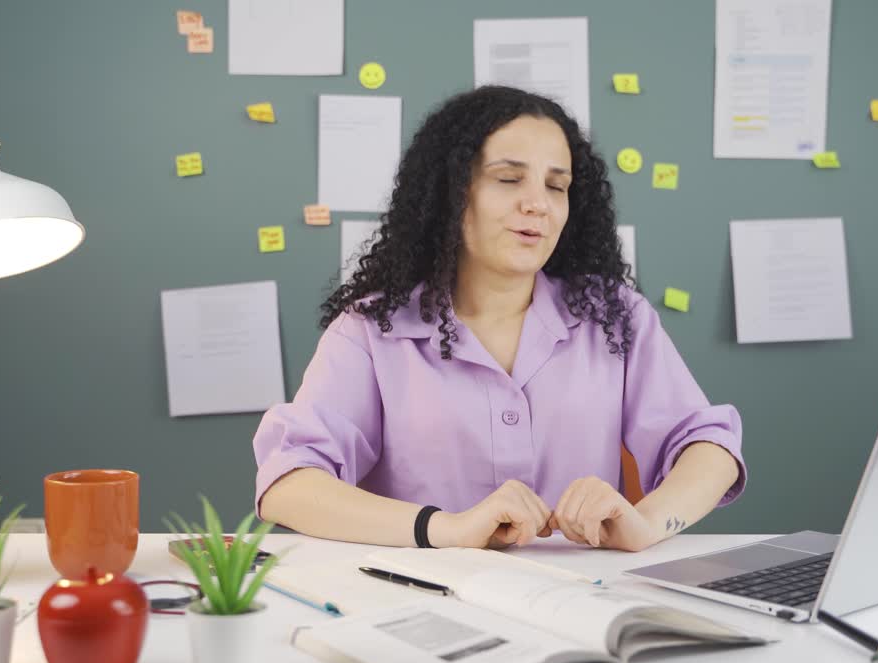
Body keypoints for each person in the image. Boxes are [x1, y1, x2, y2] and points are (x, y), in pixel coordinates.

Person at [253, 85, 746, 552]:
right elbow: (288, 483)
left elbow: (709, 446)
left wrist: (649, 524)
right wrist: (446, 528)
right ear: (451, 193)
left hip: (581, 596)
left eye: (557, 186)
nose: (538, 204)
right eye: (509, 179)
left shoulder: (613, 315)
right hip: (420, 595)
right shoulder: (371, 328)